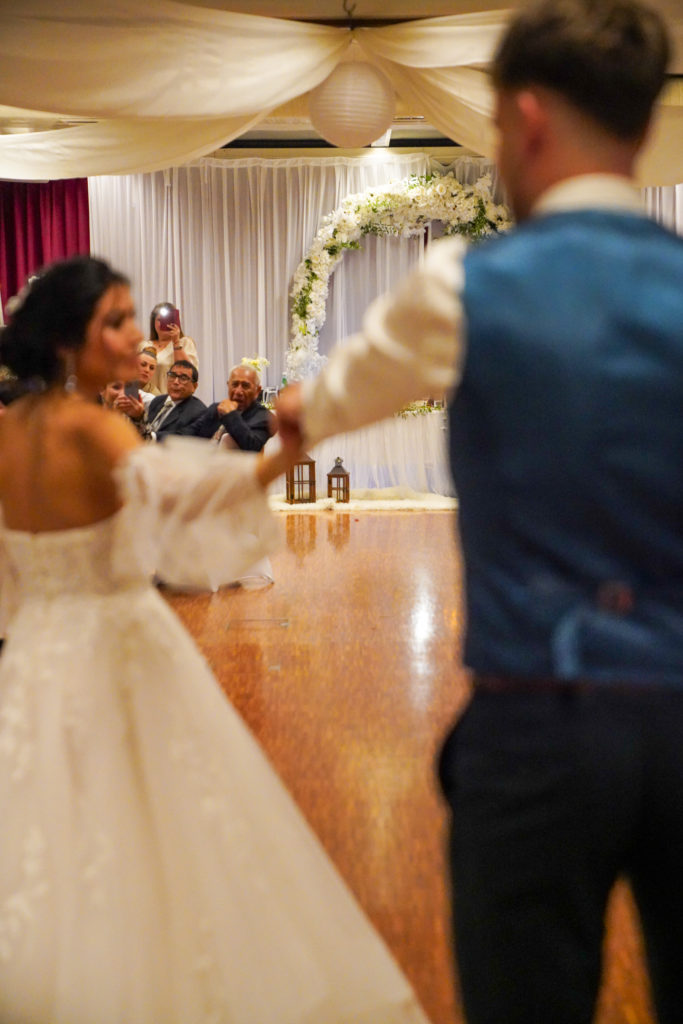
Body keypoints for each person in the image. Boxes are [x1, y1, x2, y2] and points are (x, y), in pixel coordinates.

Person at [276, 2, 683, 1022]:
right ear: (636, 128)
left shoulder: (464, 280)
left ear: (526, 118)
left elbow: (319, 405)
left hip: (536, 724)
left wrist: (297, 409)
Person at [0, 255, 429, 1024]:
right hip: (117, 645)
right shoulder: (93, 430)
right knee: (160, 828)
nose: (142, 336)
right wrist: (287, 453)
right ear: (70, 339)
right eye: (119, 320)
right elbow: (192, 500)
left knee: (50, 828)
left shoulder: (8, 434)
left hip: (36, 655)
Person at [183, 363, 274, 450]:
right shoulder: (216, 408)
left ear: (257, 391)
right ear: (228, 385)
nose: (238, 391)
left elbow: (252, 446)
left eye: (245, 386)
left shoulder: (265, 417)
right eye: (234, 385)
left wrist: (231, 415)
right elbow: (190, 433)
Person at [139, 301, 198, 394]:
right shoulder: (143, 345)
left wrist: (176, 342)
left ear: (175, 322)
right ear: (153, 323)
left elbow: (188, 374)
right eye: (160, 320)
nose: (164, 323)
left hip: (172, 401)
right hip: (144, 400)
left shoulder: (185, 343)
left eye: (167, 320)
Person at [143, 360, 206, 441]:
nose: (176, 382)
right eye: (172, 376)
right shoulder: (158, 400)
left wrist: (150, 437)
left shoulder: (198, 413)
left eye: (183, 378)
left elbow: (180, 438)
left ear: (194, 386)